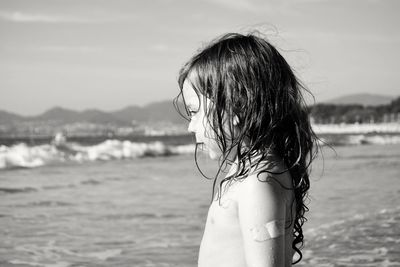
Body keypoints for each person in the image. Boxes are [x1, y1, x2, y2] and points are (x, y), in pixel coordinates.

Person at [174, 32, 318, 267]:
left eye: (194, 111)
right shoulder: (256, 174)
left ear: (236, 106)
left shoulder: (256, 184)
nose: (191, 126)